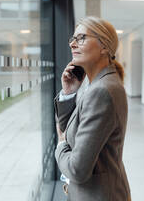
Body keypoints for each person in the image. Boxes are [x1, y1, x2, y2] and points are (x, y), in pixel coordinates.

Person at [54, 16, 131, 201]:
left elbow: (77, 169)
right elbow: (69, 129)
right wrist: (69, 92)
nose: (73, 44)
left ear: (104, 46)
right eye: (72, 39)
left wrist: (60, 145)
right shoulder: (93, 84)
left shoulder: (101, 91)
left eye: (81, 38)